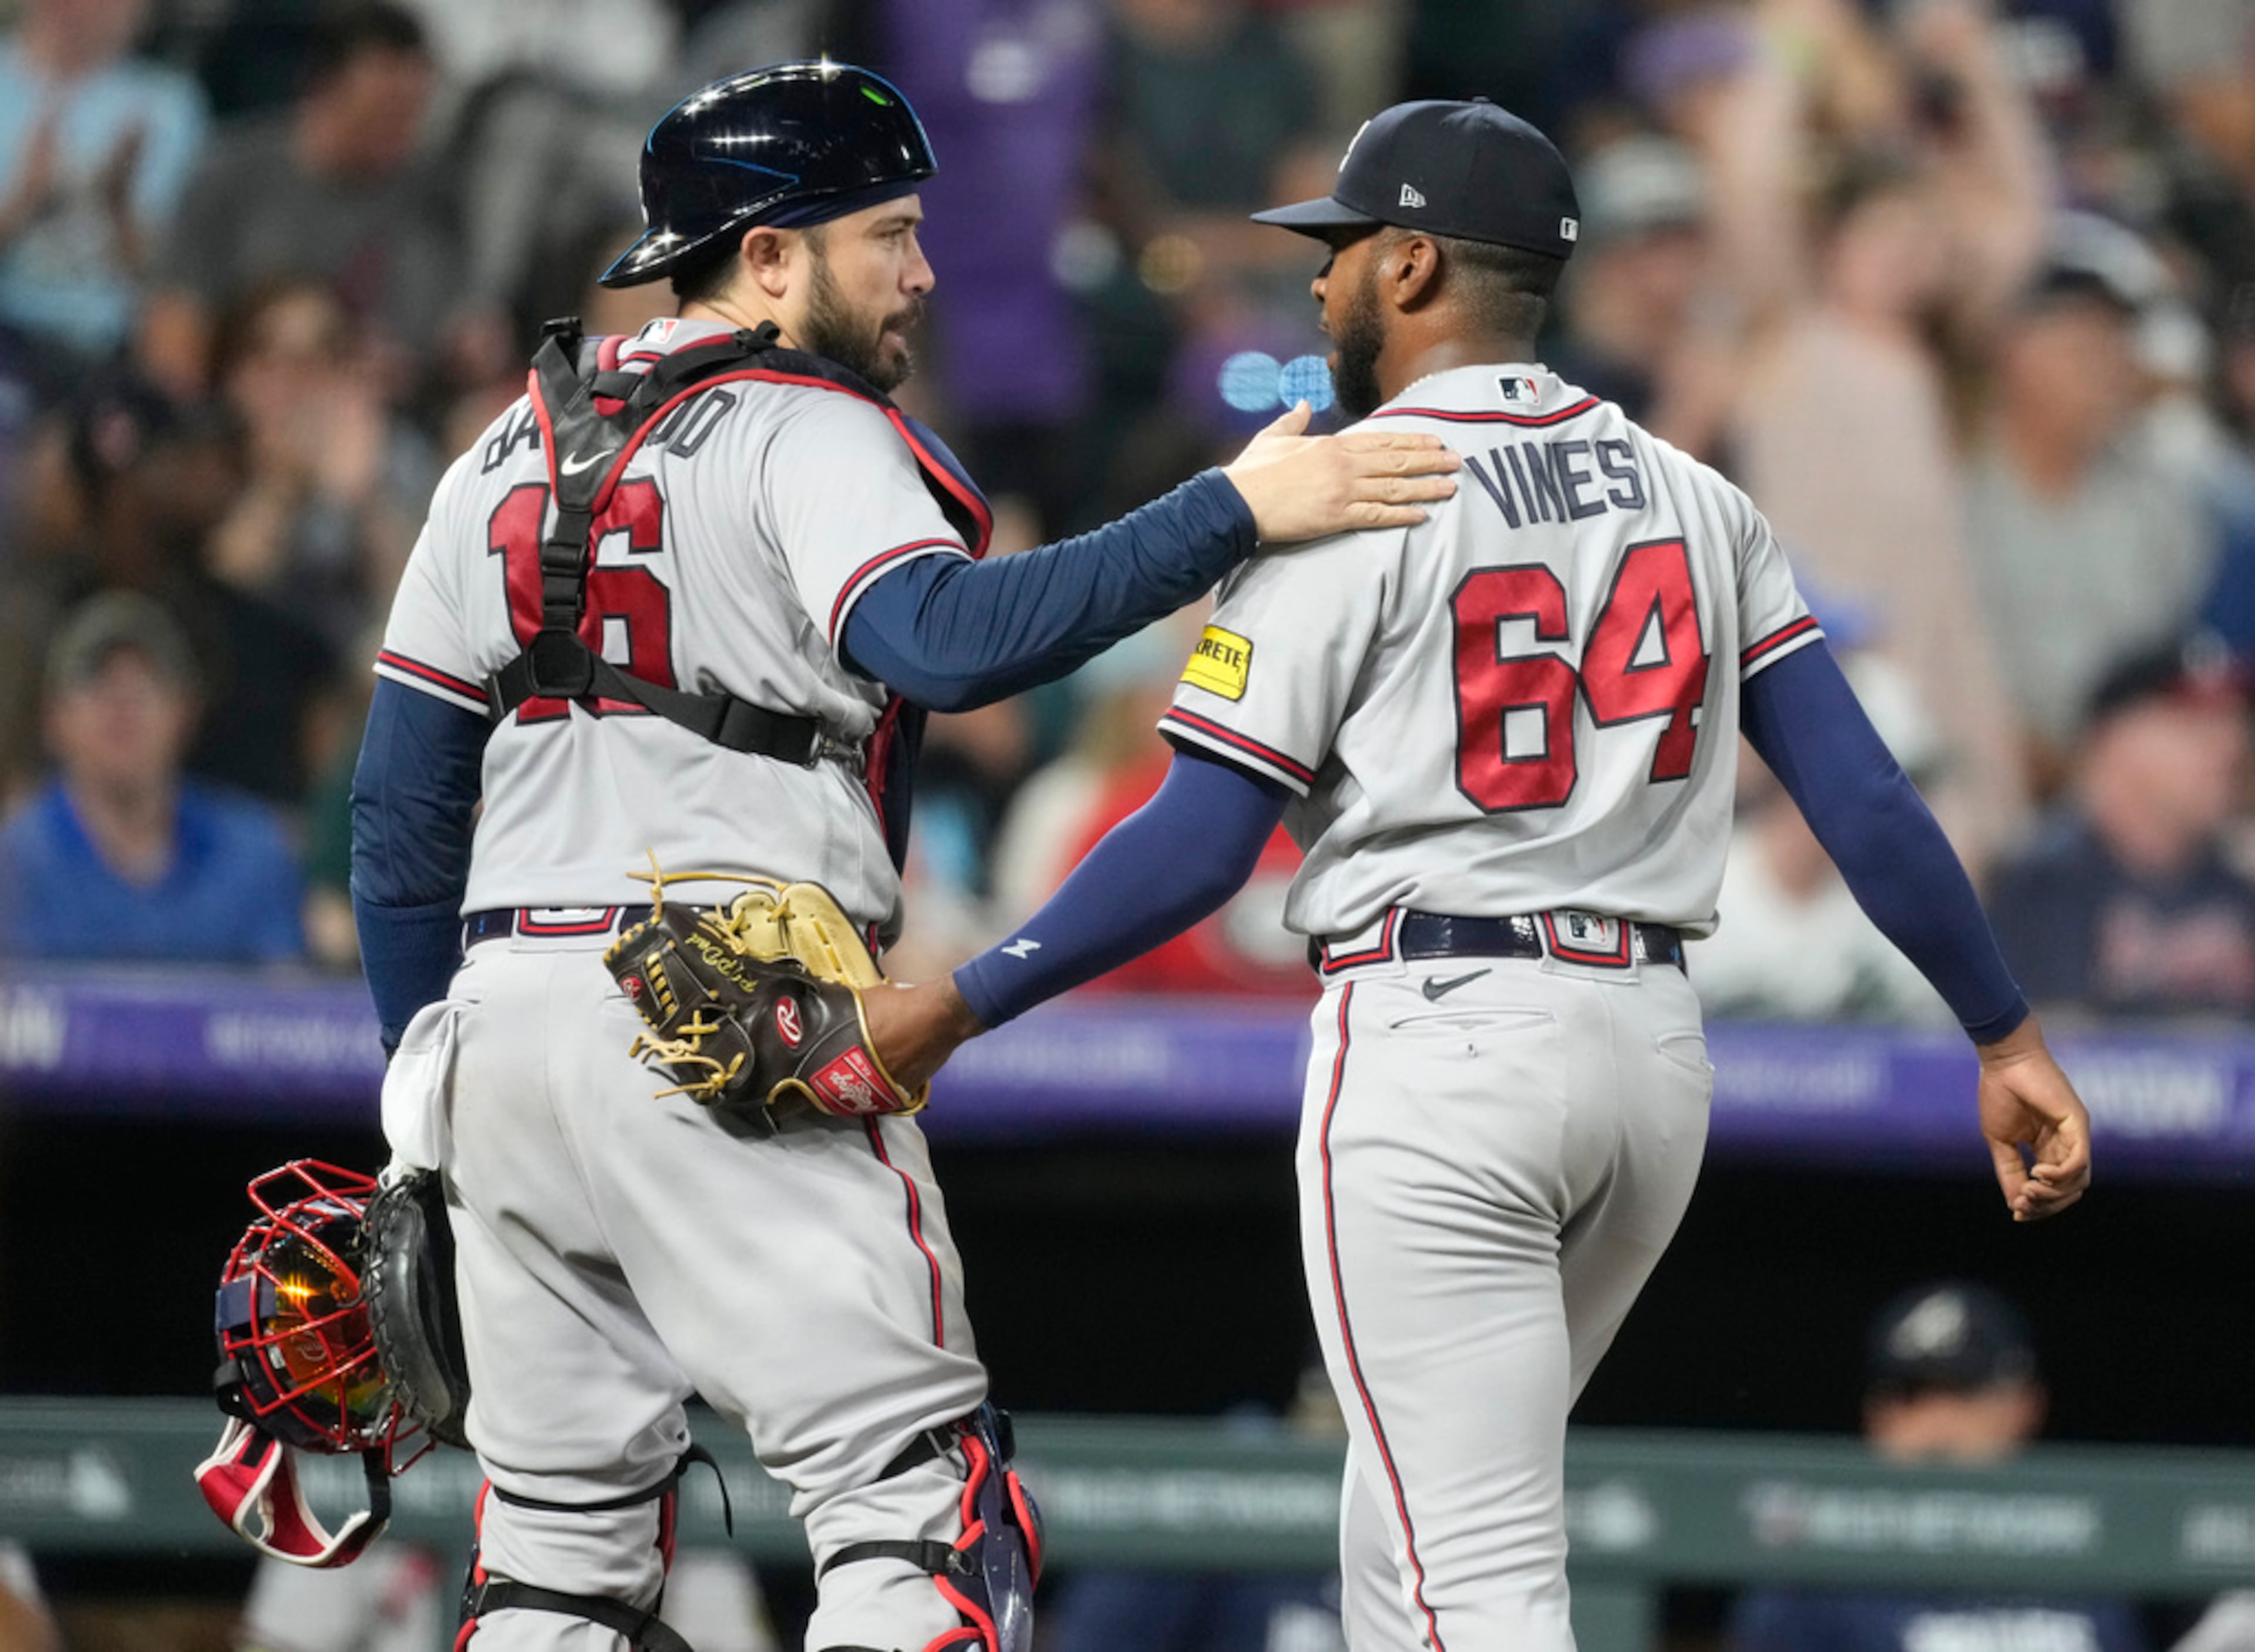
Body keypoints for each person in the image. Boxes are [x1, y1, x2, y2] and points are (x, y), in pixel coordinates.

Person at [866, 97, 2095, 1649]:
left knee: (1476, 1587)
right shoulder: (1695, 492)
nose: (1319, 285)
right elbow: (1862, 791)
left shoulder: (1349, 494)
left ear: (1419, 265)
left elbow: (1198, 835)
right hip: (1649, 1060)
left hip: (1442, 1042)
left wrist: (968, 1000)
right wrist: (2002, 1026)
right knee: (1406, 1540)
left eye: (1346, 251)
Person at [349, 60, 1458, 1652]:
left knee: (554, 1568)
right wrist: (1233, 506)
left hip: (500, 1029)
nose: (923, 270)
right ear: (769, 256)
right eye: (887, 234)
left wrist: (419, 1095)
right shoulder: (808, 427)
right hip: (722, 1000)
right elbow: (941, 640)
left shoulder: (496, 460)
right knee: (921, 1514)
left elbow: (401, 815)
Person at [1727, 1281, 2149, 1651]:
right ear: (1877, 1415)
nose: (1936, 1425)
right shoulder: (1814, 1579)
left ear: (2025, 1406)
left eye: (1965, 1393)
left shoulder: (2083, 1559)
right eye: (1912, 1396)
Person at [0, 590, 304, 962]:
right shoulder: (15, 862)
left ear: (185, 713)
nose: (121, 703)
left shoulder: (253, 853)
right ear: (52, 716)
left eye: (146, 682)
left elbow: (283, 1005)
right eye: (95, 680)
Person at [1988, 635, 2255, 1018]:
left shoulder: (2238, 887)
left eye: (2234, 721)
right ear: (2112, 739)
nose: (2228, 745)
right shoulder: (2045, 884)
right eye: (2193, 725)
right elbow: (2046, 1053)